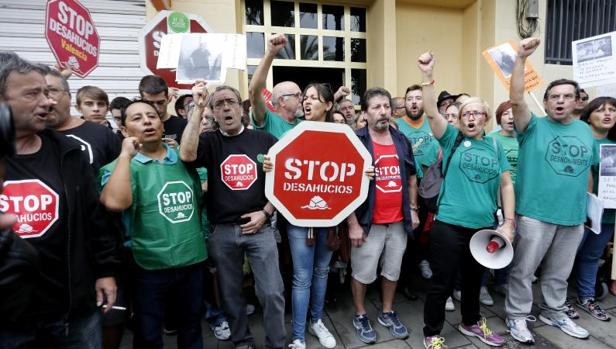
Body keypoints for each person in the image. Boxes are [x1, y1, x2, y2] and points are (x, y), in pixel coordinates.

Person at [0, 54, 120, 348]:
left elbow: (94, 218)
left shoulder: (68, 153)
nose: (47, 102)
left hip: (71, 308)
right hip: (8, 319)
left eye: (47, 92)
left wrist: (105, 270)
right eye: (32, 93)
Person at [417, 51, 514, 348]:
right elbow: (432, 112)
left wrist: (509, 223)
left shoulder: (496, 147)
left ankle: (471, 323)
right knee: (442, 283)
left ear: (485, 117)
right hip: (449, 224)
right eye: (465, 114)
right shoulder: (451, 139)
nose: (471, 117)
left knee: (473, 281)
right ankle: (432, 333)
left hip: (483, 227)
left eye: (476, 113)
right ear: (458, 120)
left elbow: (506, 185)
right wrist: (427, 76)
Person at [505, 38, 597, 344]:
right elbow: (517, 99)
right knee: (523, 271)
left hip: (572, 217)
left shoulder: (586, 130)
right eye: (553, 97)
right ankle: (517, 316)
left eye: (566, 96)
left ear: (576, 101)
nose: (559, 101)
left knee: (559, 273)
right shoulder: (532, 126)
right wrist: (520, 59)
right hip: (535, 214)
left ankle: (553, 311)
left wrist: (588, 206)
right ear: (545, 103)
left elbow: (587, 171)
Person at [181, 82, 286, 349]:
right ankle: (242, 341)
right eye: (219, 104)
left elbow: (284, 180)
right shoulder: (209, 141)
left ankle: (277, 343)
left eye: (231, 102)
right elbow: (186, 154)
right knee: (230, 294)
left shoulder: (264, 140)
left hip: (260, 229)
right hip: (223, 232)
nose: (226, 108)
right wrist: (198, 108)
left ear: (241, 108)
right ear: (213, 113)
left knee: (272, 292)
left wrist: (266, 212)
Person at [100, 99, 206, 349]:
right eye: (137, 118)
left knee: (192, 327)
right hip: (148, 265)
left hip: (192, 260)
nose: (147, 121)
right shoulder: (118, 167)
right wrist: (126, 155)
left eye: (152, 116)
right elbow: (115, 202)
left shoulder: (185, 160)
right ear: (124, 130)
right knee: (148, 332)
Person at [347, 87, 419, 344]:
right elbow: (345, 186)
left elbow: (411, 177)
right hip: (368, 223)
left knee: (392, 270)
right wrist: (353, 223)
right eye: (376, 107)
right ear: (365, 113)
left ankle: (387, 311)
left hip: (398, 221)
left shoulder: (401, 140)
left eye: (386, 106)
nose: (383, 112)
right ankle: (360, 313)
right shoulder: (355, 140)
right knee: (363, 273)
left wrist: (412, 208)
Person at [270, 82, 338, 349]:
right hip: (299, 221)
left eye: (313, 98)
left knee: (322, 271)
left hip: (330, 218)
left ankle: (316, 322)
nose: (306, 102)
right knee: (302, 277)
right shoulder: (291, 131)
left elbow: (351, 169)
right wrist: (270, 162)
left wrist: (362, 173)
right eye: (305, 97)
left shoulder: (341, 134)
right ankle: (298, 336)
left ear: (328, 105)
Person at [567, 96, 616, 322]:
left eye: (612, 110)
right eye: (601, 110)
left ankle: (586, 297)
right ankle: (558, 301)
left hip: (608, 214)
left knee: (592, 256)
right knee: (566, 257)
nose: (607, 114)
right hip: (579, 212)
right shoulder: (579, 141)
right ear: (589, 115)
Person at [43, 68, 120, 174]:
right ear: (78, 107)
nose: (46, 100)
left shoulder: (104, 134)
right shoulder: (24, 136)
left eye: (52, 91)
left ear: (69, 98)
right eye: (36, 93)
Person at [249, 34, 303, 139]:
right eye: (297, 95)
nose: (302, 99)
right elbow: (254, 91)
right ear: (282, 101)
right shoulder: (267, 119)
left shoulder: (304, 126)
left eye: (301, 95)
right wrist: (271, 52)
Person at [139, 75, 188, 144]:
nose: (156, 108)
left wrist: (178, 150)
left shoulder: (183, 125)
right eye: (150, 103)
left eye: (160, 102)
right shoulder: (136, 126)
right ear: (142, 101)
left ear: (168, 99)